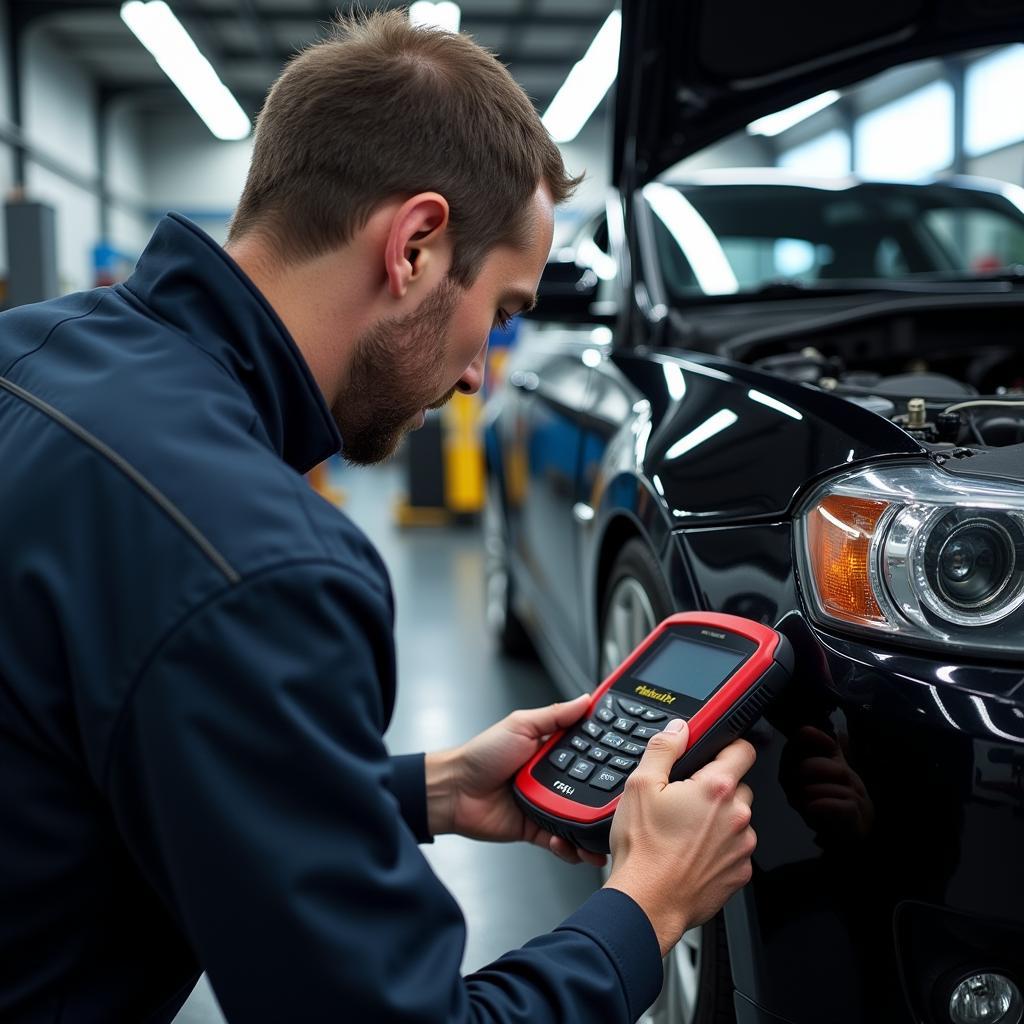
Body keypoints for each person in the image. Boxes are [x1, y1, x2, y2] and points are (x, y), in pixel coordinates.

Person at [0, 11, 756, 1022]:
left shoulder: (29, 349)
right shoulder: (262, 565)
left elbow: (102, 745)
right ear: (414, 247)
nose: (482, 371)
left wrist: (421, 790)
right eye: (505, 310)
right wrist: (643, 909)